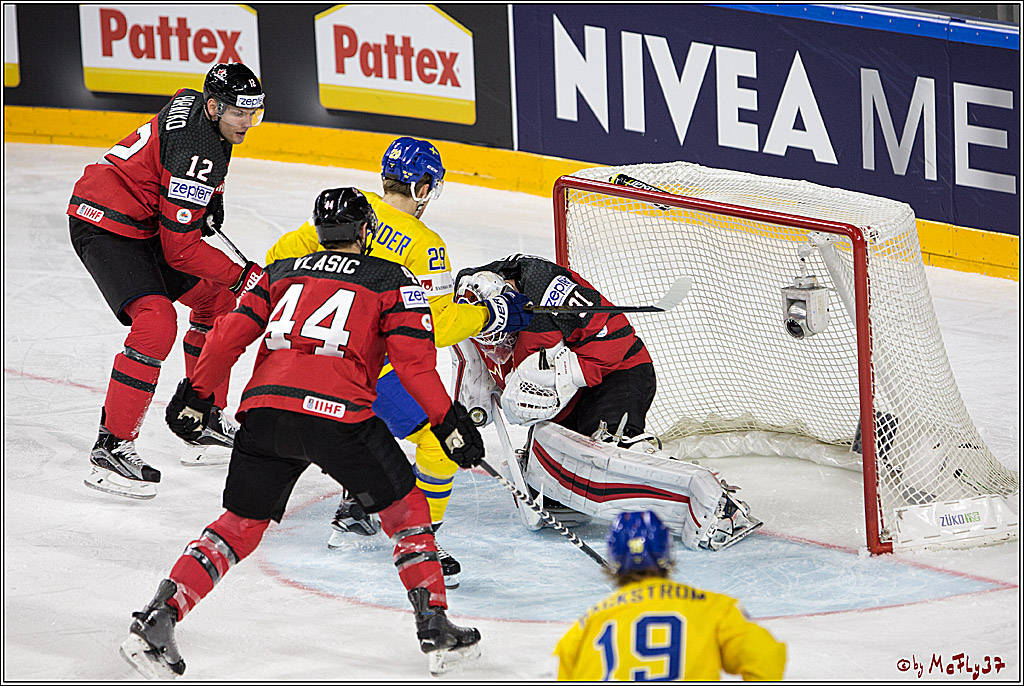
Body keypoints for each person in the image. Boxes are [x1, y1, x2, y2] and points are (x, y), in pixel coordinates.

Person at [120, 188, 485, 680]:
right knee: (408, 511)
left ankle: (159, 617)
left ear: (318, 231)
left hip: (266, 413)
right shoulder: (394, 279)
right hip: (342, 418)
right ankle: (435, 626)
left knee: (238, 526)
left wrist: (196, 393)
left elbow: (228, 334)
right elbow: (414, 365)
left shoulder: (281, 271)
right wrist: (448, 422)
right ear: (365, 232)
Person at [264, 137, 532, 587]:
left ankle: (356, 511)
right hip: (371, 366)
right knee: (438, 445)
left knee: (361, 425)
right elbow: (433, 328)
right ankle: (418, 540)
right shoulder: (425, 244)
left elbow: (277, 260)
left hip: (305, 355)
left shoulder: (348, 210)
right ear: (424, 188)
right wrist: (491, 312)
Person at [452, 255, 761, 550]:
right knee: (562, 479)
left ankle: (722, 507)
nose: (503, 348)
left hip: (618, 376)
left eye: (507, 338)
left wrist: (563, 374)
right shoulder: (463, 310)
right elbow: (475, 369)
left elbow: (615, 342)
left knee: (615, 457)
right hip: (564, 406)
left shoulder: (551, 292)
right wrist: (470, 406)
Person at [69, 62, 267, 499]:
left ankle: (201, 417)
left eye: (255, 113)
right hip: (105, 223)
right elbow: (180, 250)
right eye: (240, 113)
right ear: (215, 107)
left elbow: (184, 163)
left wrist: (208, 199)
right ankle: (112, 446)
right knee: (156, 321)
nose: (248, 123)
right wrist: (242, 277)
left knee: (215, 303)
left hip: (145, 221)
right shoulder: (199, 150)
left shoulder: (195, 104)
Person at [553, 511, 787, 681]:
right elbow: (766, 658)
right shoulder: (715, 608)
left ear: (613, 559)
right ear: (667, 553)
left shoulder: (589, 624)